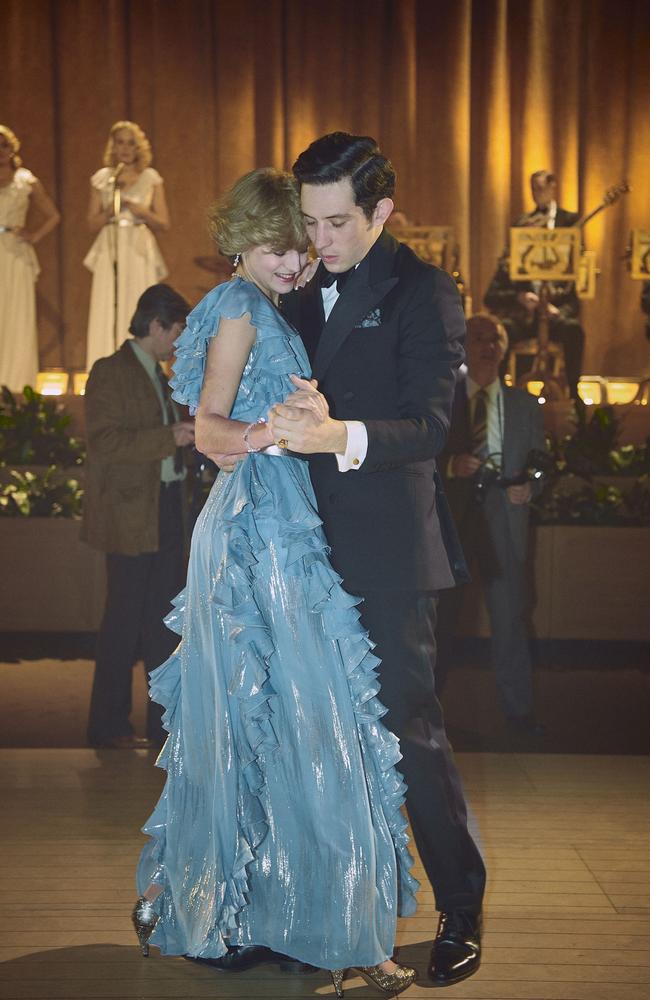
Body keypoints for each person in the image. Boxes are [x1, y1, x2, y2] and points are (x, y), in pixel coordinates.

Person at [131, 168, 418, 998]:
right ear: (239, 244)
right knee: (294, 710)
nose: (295, 262)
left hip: (277, 517)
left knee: (291, 714)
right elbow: (209, 429)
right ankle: (281, 920)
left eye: (300, 247)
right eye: (276, 247)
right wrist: (278, 429)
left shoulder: (266, 307)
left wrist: (295, 426)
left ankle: (291, 916)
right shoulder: (236, 308)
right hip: (253, 527)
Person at [268, 131, 485, 987]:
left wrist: (335, 436)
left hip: (391, 554)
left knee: (408, 734)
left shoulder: (424, 291)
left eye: (336, 223)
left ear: (382, 212)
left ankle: (461, 905)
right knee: (301, 732)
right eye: (308, 221)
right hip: (300, 547)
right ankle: (311, 911)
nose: (317, 243)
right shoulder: (289, 287)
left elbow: (433, 428)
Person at [82, 284, 194, 750]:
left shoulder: (160, 374)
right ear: (156, 326)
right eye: (177, 331)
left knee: (162, 623)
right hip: (130, 515)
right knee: (124, 623)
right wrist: (171, 435)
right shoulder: (110, 371)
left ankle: (161, 727)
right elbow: (106, 443)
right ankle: (107, 726)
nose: (180, 341)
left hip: (164, 508)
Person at [436, 313, 546, 733]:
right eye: (479, 337)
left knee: (510, 614)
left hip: (504, 511)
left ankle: (519, 713)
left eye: (495, 338)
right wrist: (450, 465)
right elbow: (421, 455)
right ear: (462, 345)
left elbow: (540, 461)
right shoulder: (444, 399)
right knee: (442, 617)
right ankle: (428, 714)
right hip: (457, 515)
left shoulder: (522, 404)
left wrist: (531, 488)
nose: (488, 345)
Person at [484, 169, 585, 399]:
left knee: (574, 330)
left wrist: (557, 311)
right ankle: (500, 393)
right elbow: (491, 296)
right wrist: (519, 298)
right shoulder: (515, 247)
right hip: (525, 318)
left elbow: (574, 296)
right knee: (502, 331)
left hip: (554, 316)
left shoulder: (566, 237)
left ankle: (573, 393)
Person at [84, 120, 169, 371]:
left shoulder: (150, 177)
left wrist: (140, 209)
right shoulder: (102, 178)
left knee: (138, 300)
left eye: (130, 143)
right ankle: (106, 367)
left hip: (138, 246)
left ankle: (145, 367)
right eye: (120, 142)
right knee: (108, 302)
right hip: (111, 245)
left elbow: (164, 222)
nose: (125, 148)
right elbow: (91, 223)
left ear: (138, 147)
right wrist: (112, 208)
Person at [0, 124, 60, 392]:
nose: (1, 151)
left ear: (13, 147)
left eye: (4, 145)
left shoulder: (25, 179)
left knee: (16, 313)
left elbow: (53, 215)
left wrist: (33, 235)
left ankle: (16, 383)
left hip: (15, 250)